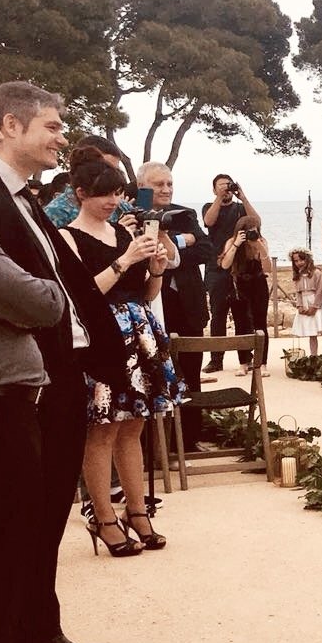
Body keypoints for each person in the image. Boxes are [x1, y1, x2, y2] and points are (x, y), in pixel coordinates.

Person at [0, 82, 123, 643]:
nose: (64, 138)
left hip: (60, 371)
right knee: (24, 522)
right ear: (12, 127)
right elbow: (26, 293)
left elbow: (65, 283)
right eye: (54, 128)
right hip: (26, 375)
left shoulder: (28, 200)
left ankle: (40, 630)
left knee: (45, 515)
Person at [0, 87, 84, 643]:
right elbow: (37, 296)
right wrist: (42, 295)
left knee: (10, 562)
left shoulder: (19, 200)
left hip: (15, 390)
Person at [62, 161, 183, 556]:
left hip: (139, 332)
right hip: (101, 337)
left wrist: (157, 271)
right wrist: (127, 259)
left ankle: (136, 511)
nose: (112, 201)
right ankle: (102, 516)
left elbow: (145, 294)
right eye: (103, 194)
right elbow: (83, 295)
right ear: (80, 193)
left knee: (133, 427)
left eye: (117, 193)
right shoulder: (69, 237)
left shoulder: (122, 232)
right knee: (102, 429)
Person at [137, 162, 210, 445]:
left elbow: (206, 249)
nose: (166, 189)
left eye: (169, 183)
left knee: (190, 373)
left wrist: (173, 247)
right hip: (156, 302)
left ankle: (190, 439)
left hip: (188, 304)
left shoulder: (184, 213)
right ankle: (152, 443)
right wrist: (184, 240)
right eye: (159, 185)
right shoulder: (137, 210)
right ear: (143, 187)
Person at [201, 173, 258, 372]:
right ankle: (216, 359)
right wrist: (219, 197)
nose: (225, 188)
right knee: (218, 314)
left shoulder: (240, 208)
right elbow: (209, 222)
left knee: (243, 315)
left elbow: (256, 222)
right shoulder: (209, 206)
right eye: (221, 185)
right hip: (216, 269)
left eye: (228, 184)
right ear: (214, 189)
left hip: (240, 269)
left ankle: (246, 357)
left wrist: (243, 197)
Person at [218, 214, 273, 375]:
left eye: (254, 231)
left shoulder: (261, 242)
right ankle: (243, 362)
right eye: (248, 232)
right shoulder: (232, 242)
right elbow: (225, 265)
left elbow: (268, 268)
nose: (251, 234)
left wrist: (259, 246)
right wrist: (236, 244)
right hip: (238, 285)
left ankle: (262, 363)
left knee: (260, 324)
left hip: (258, 283)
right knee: (240, 324)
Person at [42, 137, 127, 228]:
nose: (111, 175)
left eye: (115, 170)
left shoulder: (119, 206)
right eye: (105, 167)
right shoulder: (56, 212)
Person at [287, 249, 322, 357]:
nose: (299, 263)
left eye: (301, 260)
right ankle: (313, 357)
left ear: (308, 259)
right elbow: (298, 293)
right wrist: (300, 306)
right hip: (305, 303)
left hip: (317, 304)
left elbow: (320, 291)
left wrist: (315, 307)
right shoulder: (298, 276)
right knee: (312, 333)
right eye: (296, 261)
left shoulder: (317, 273)